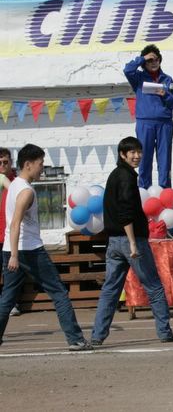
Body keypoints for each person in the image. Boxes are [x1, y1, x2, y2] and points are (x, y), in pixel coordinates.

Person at [0, 144, 91, 350]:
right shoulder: (25, 191)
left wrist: (12, 253)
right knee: (58, 292)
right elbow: (15, 223)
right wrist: (14, 255)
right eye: (40, 164)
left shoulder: (14, 185)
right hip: (29, 250)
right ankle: (75, 340)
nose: (42, 168)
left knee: (7, 297)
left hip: (12, 248)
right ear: (28, 164)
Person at [91, 137, 173, 345]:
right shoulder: (126, 177)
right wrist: (132, 242)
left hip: (113, 242)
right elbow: (125, 212)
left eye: (139, 151)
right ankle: (164, 332)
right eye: (132, 152)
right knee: (153, 286)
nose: (137, 156)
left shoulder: (115, 175)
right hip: (131, 240)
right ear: (122, 154)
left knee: (110, 290)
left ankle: (97, 336)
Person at [124, 44, 173, 189]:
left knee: (164, 159)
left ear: (160, 60)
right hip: (145, 122)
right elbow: (127, 69)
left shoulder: (167, 79)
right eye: (150, 60)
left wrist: (165, 95)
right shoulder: (138, 78)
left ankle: (165, 190)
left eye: (156, 59)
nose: (153, 62)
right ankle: (144, 190)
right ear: (144, 63)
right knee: (143, 158)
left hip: (164, 123)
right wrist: (142, 58)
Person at [0, 148, 21, 317]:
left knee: (11, 271)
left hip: (10, 234)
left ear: (11, 163)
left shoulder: (17, 183)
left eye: (5, 162)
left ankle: (11, 303)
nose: (2, 165)